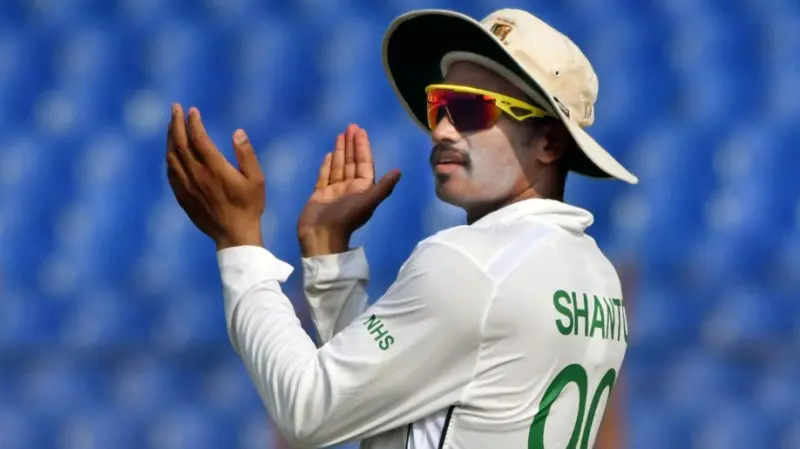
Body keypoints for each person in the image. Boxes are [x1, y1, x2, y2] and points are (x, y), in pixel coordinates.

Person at [165, 7, 637, 449]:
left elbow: (306, 409)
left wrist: (239, 241)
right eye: (440, 106)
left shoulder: (470, 263)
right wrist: (330, 260)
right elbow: (379, 396)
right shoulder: (598, 276)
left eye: (472, 110)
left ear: (549, 142)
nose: (442, 131)